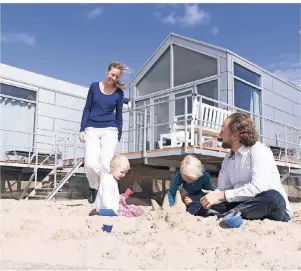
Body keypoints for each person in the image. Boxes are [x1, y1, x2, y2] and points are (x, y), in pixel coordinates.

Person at [185, 112, 292, 222]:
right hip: (244, 204)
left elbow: (258, 188)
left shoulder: (259, 150)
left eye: (223, 129)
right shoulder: (228, 158)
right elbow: (222, 189)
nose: (220, 133)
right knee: (194, 206)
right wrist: (212, 196)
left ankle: (224, 215)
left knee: (273, 197)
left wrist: (220, 195)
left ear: (235, 135)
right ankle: (229, 214)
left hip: (271, 206)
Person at [79, 62, 126, 203]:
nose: (113, 78)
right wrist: (82, 129)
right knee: (90, 163)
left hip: (110, 129)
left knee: (106, 165)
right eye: (112, 74)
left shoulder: (119, 93)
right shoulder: (94, 87)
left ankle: (104, 194)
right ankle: (94, 186)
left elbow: (119, 115)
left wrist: (119, 133)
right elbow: (87, 108)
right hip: (92, 128)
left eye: (116, 77)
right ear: (107, 72)